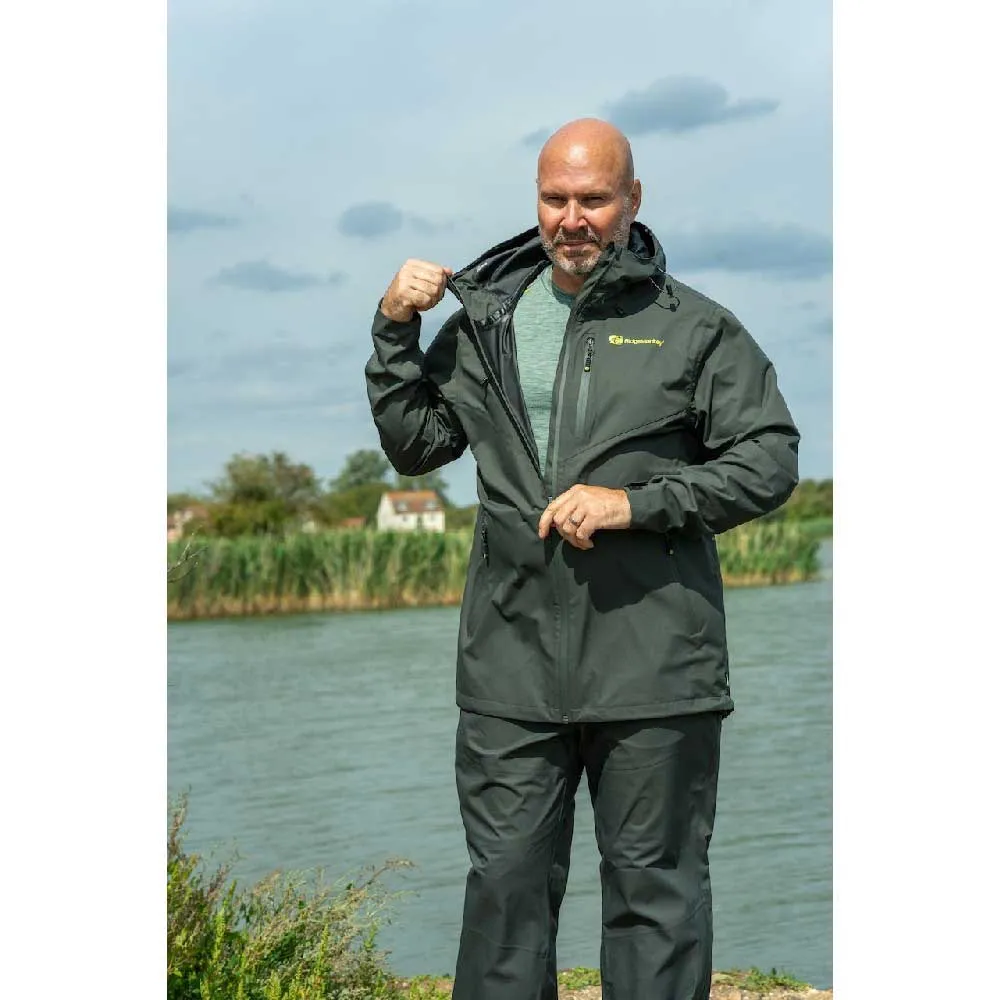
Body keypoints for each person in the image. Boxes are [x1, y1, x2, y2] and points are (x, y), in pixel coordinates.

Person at [364, 118, 799, 1000]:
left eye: (594, 199)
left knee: (655, 898)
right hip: (509, 669)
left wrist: (635, 504)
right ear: (536, 200)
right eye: (555, 199)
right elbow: (417, 446)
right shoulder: (484, 321)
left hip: (655, 669)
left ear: (632, 201)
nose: (573, 219)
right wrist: (393, 331)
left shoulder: (695, 329)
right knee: (504, 893)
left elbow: (769, 460)